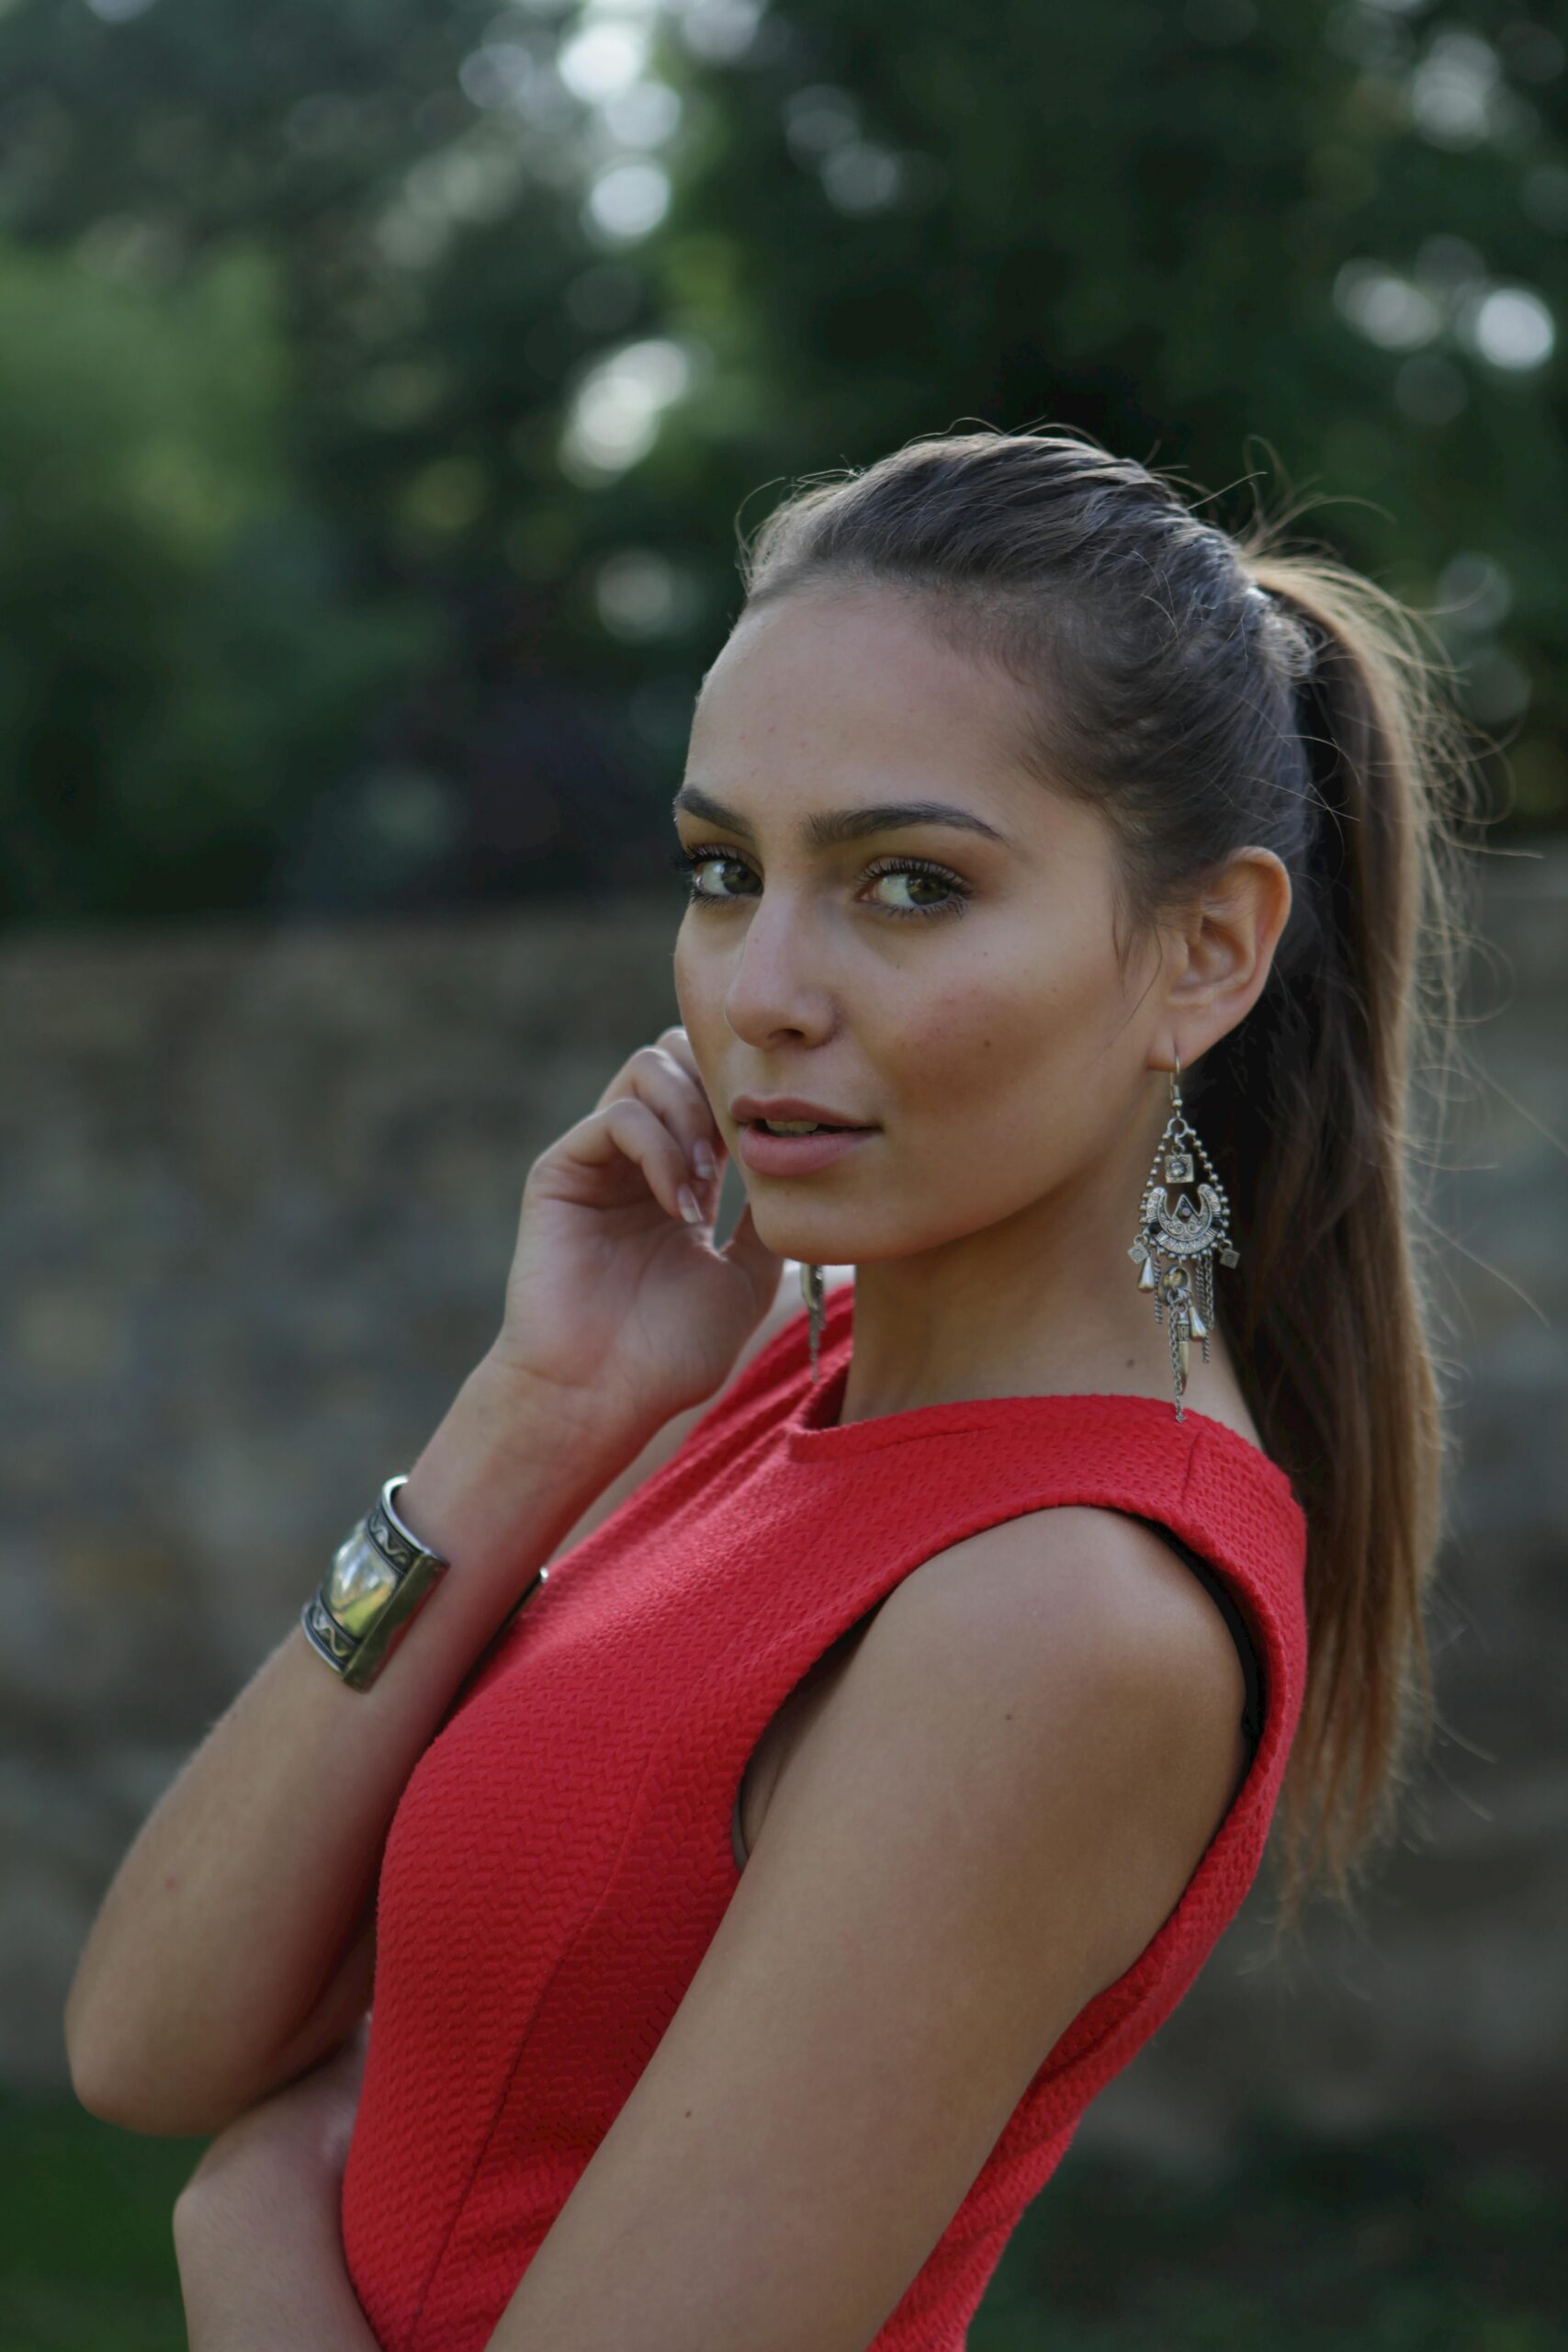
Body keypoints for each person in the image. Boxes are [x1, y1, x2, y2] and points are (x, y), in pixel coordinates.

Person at [66, 425, 1479, 2351]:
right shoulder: (787, 1378)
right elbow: (151, 2030)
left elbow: (219, 2132)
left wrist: (245, 2235)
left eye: (907, 885)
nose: (763, 989)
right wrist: (535, 1407)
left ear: (1202, 952)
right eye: (724, 870)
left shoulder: (1060, 1604)